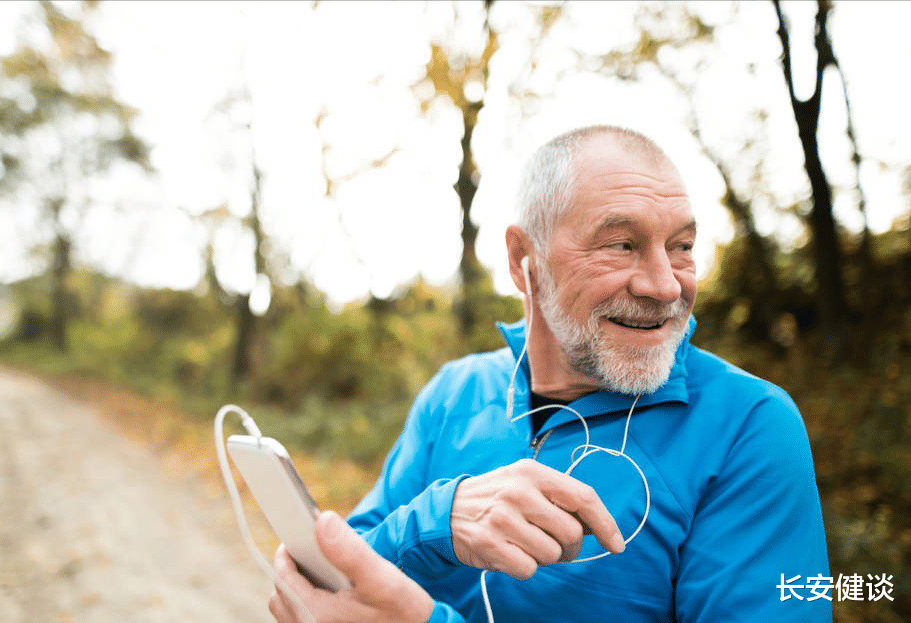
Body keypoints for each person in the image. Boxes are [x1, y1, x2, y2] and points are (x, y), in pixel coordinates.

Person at [270, 125, 832, 622]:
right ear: (523, 259)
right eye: (622, 244)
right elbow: (345, 567)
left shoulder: (750, 426)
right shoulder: (455, 393)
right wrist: (441, 520)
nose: (664, 285)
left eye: (681, 246)